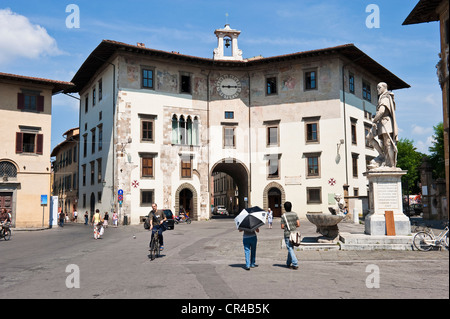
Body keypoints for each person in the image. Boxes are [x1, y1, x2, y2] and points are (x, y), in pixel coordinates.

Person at [366, 82, 398, 168]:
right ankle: (382, 155)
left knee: (387, 144)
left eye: (379, 88)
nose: (377, 90)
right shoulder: (382, 97)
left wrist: (374, 119)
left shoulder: (385, 97)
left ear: (384, 87)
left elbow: (381, 111)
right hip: (380, 123)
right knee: (369, 137)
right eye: (377, 88)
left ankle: (390, 164)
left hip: (385, 123)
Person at [281, 201, 300, 270]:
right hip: (294, 234)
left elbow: (282, 226)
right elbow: (298, 224)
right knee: (291, 248)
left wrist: (287, 226)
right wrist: (293, 227)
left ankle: (295, 263)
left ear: (285, 208)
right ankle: (288, 263)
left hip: (287, 234)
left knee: (289, 248)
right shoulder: (295, 214)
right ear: (291, 207)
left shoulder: (283, 216)